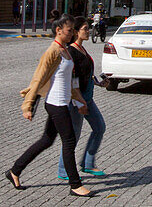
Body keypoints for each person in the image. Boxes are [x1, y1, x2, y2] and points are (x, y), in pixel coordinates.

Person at [7, 15, 93, 198]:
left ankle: (14, 170)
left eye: (72, 31)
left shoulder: (66, 50)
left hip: (64, 101)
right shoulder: (52, 51)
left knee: (46, 140)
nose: (71, 34)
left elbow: (71, 81)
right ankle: (75, 184)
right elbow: (38, 79)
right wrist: (27, 106)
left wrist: (80, 101)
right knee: (69, 141)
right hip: (55, 103)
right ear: (59, 30)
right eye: (69, 31)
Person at [57, 17, 108, 181]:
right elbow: (73, 79)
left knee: (99, 127)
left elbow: (86, 74)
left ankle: (87, 163)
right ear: (77, 32)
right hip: (77, 100)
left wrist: (99, 83)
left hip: (87, 98)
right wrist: (79, 101)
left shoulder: (82, 50)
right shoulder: (71, 52)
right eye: (85, 29)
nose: (88, 31)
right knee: (73, 136)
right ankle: (64, 169)